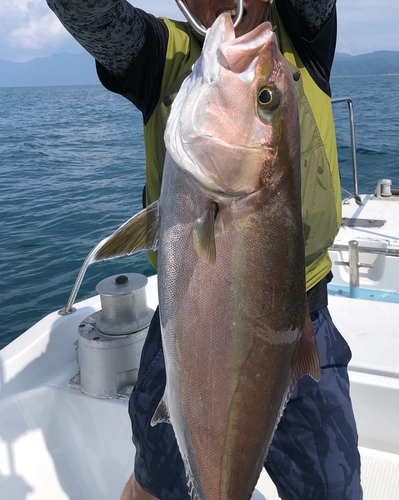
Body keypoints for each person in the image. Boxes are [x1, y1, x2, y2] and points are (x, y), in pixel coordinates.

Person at [47, 0, 362, 499]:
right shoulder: (157, 54)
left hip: (301, 324)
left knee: (332, 490)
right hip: (190, 325)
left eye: (263, 98)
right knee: (152, 484)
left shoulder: (297, 32)